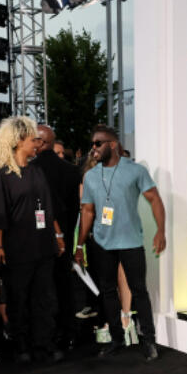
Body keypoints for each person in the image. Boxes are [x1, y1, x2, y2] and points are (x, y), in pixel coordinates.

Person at [76, 125, 166, 360]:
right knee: (107, 292)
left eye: (98, 143)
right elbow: (87, 211)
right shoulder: (90, 176)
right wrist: (79, 245)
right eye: (92, 144)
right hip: (102, 243)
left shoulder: (135, 170)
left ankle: (149, 340)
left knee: (139, 291)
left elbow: (155, 199)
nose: (93, 148)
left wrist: (161, 231)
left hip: (130, 241)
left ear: (113, 145)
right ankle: (116, 339)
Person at [0, 116, 64, 363]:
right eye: (33, 139)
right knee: (19, 297)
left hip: (43, 242)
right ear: (19, 140)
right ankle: (22, 344)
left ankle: (44, 343)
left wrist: (57, 234)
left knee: (45, 296)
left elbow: (48, 206)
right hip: (17, 245)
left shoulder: (37, 170)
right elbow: (0, 214)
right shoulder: (3, 176)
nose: (37, 143)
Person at [33, 124, 81, 349]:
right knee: (64, 286)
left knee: (42, 288)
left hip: (39, 238)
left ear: (41, 143)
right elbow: (75, 208)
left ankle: (46, 336)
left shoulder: (32, 169)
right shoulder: (71, 170)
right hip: (67, 233)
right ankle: (69, 333)